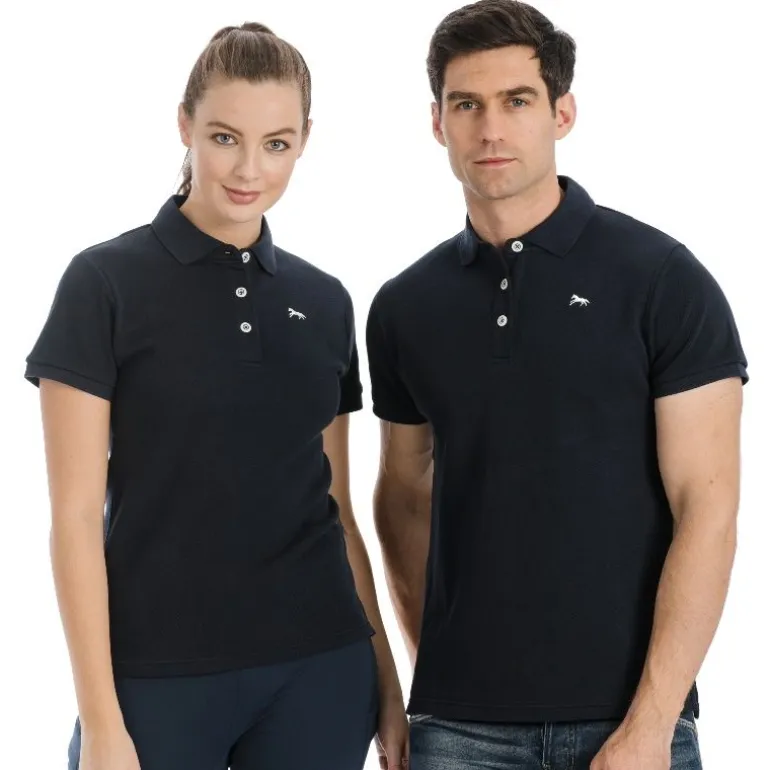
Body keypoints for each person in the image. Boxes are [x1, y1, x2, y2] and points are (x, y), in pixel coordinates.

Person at [365, 2, 747, 769]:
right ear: (437, 123)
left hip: (629, 720)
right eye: (466, 105)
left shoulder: (662, 280)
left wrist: (651, 723)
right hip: (459, 730)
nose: (490, 130)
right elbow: (402, 497)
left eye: (517, 101)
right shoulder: (405, 307)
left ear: (562, 114)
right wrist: (431, 667)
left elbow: (708, 509)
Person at [25, 22, 408, 770]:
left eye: (276, 143)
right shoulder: (103, 284)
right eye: (225, 137)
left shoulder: (324, 301)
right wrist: (100, 721)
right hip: (157, 674)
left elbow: (336, 507)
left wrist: (387, 685)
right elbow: (73, 518)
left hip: (320, 670)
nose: (249, 169)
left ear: (303, 142)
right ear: (185, 125)